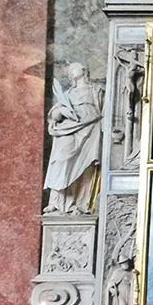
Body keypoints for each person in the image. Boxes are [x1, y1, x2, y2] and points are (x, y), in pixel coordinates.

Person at [44, 63, 103, 215]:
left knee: (84, 166)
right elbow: (54, 116)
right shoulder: (68, 94)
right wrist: (62, 111)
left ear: (84, 70)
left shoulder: (96, 90)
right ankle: (56, 201)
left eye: (74, 68)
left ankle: (78, 203)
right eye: (69, 70)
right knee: (61, 160)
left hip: (90, 129)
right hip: (68, 129)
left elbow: (104, 111)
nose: (71, 71)